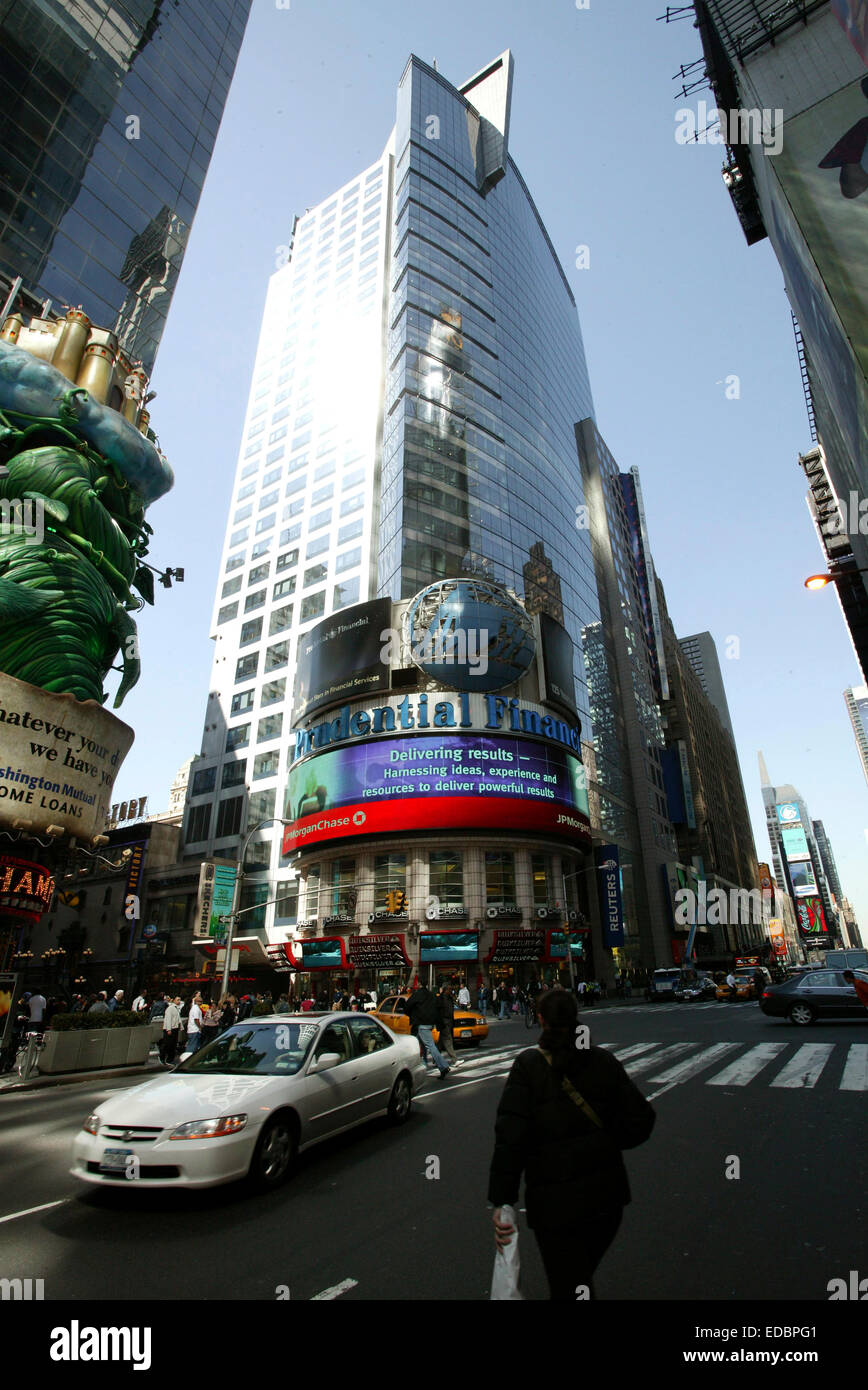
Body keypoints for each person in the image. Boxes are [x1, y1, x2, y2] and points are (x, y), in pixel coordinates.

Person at [488, 989, 655, 1301]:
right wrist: (606, 1141)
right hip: (607, 1201)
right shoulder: (603, 1061)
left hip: (554, 1206)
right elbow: (641, 1122)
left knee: (569, 1280)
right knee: (577, 1278)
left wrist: (502, 1202)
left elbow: (510, 1140)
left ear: (540, 1020)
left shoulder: (528, 1067)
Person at [404, 984, 451, 1079]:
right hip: (429, 1023)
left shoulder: (417, 995)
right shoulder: (432, 995)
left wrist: (412, 1015)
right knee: (420, 1043)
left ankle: (443, 1066)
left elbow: (407, 1006)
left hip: (421, 1023)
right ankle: (424, 1064)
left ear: (419, 985)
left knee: (429, 1045)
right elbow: (439, 1007)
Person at [436, 985, 460, 1067]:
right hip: (444, 1022)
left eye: (451, 989)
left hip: (449, 1022)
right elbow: (439, 1011)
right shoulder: (440, 999)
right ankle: (454, 1059)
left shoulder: (449, 998)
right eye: (449, 989)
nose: (451, 991)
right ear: (445, 990)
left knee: (440, 1042)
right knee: (448, 1040)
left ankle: (435, 1059)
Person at [161, 997, 181, 1065]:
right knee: (168, 1044)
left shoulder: (176, 1008)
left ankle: (170, 1059)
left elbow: (178, 1018)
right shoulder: (170, 1008)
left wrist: (180, 1026)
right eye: (178, 1000)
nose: (179, 1001)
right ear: (173, 1000)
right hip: (170, 1029)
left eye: (180, 1000)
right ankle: (162, 1058)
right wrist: (169, 1029)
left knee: (173, 1045)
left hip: (175, 1028)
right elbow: (168, 1019)